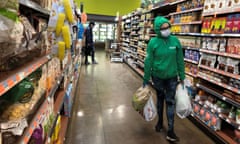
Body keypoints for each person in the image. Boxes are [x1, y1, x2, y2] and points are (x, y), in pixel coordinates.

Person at [143, 16, 185, 142]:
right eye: (163, 28)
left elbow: (180, 60)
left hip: (172, 77)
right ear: (157, 29)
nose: (167, 30)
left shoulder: (175, 41)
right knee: (160, 99)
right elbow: (148, 61)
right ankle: (160, 122)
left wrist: (182, 76)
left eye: (168, 27)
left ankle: (171, 130)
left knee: (170, 102)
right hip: (158, 77)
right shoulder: (153, 43)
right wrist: (145, 78)